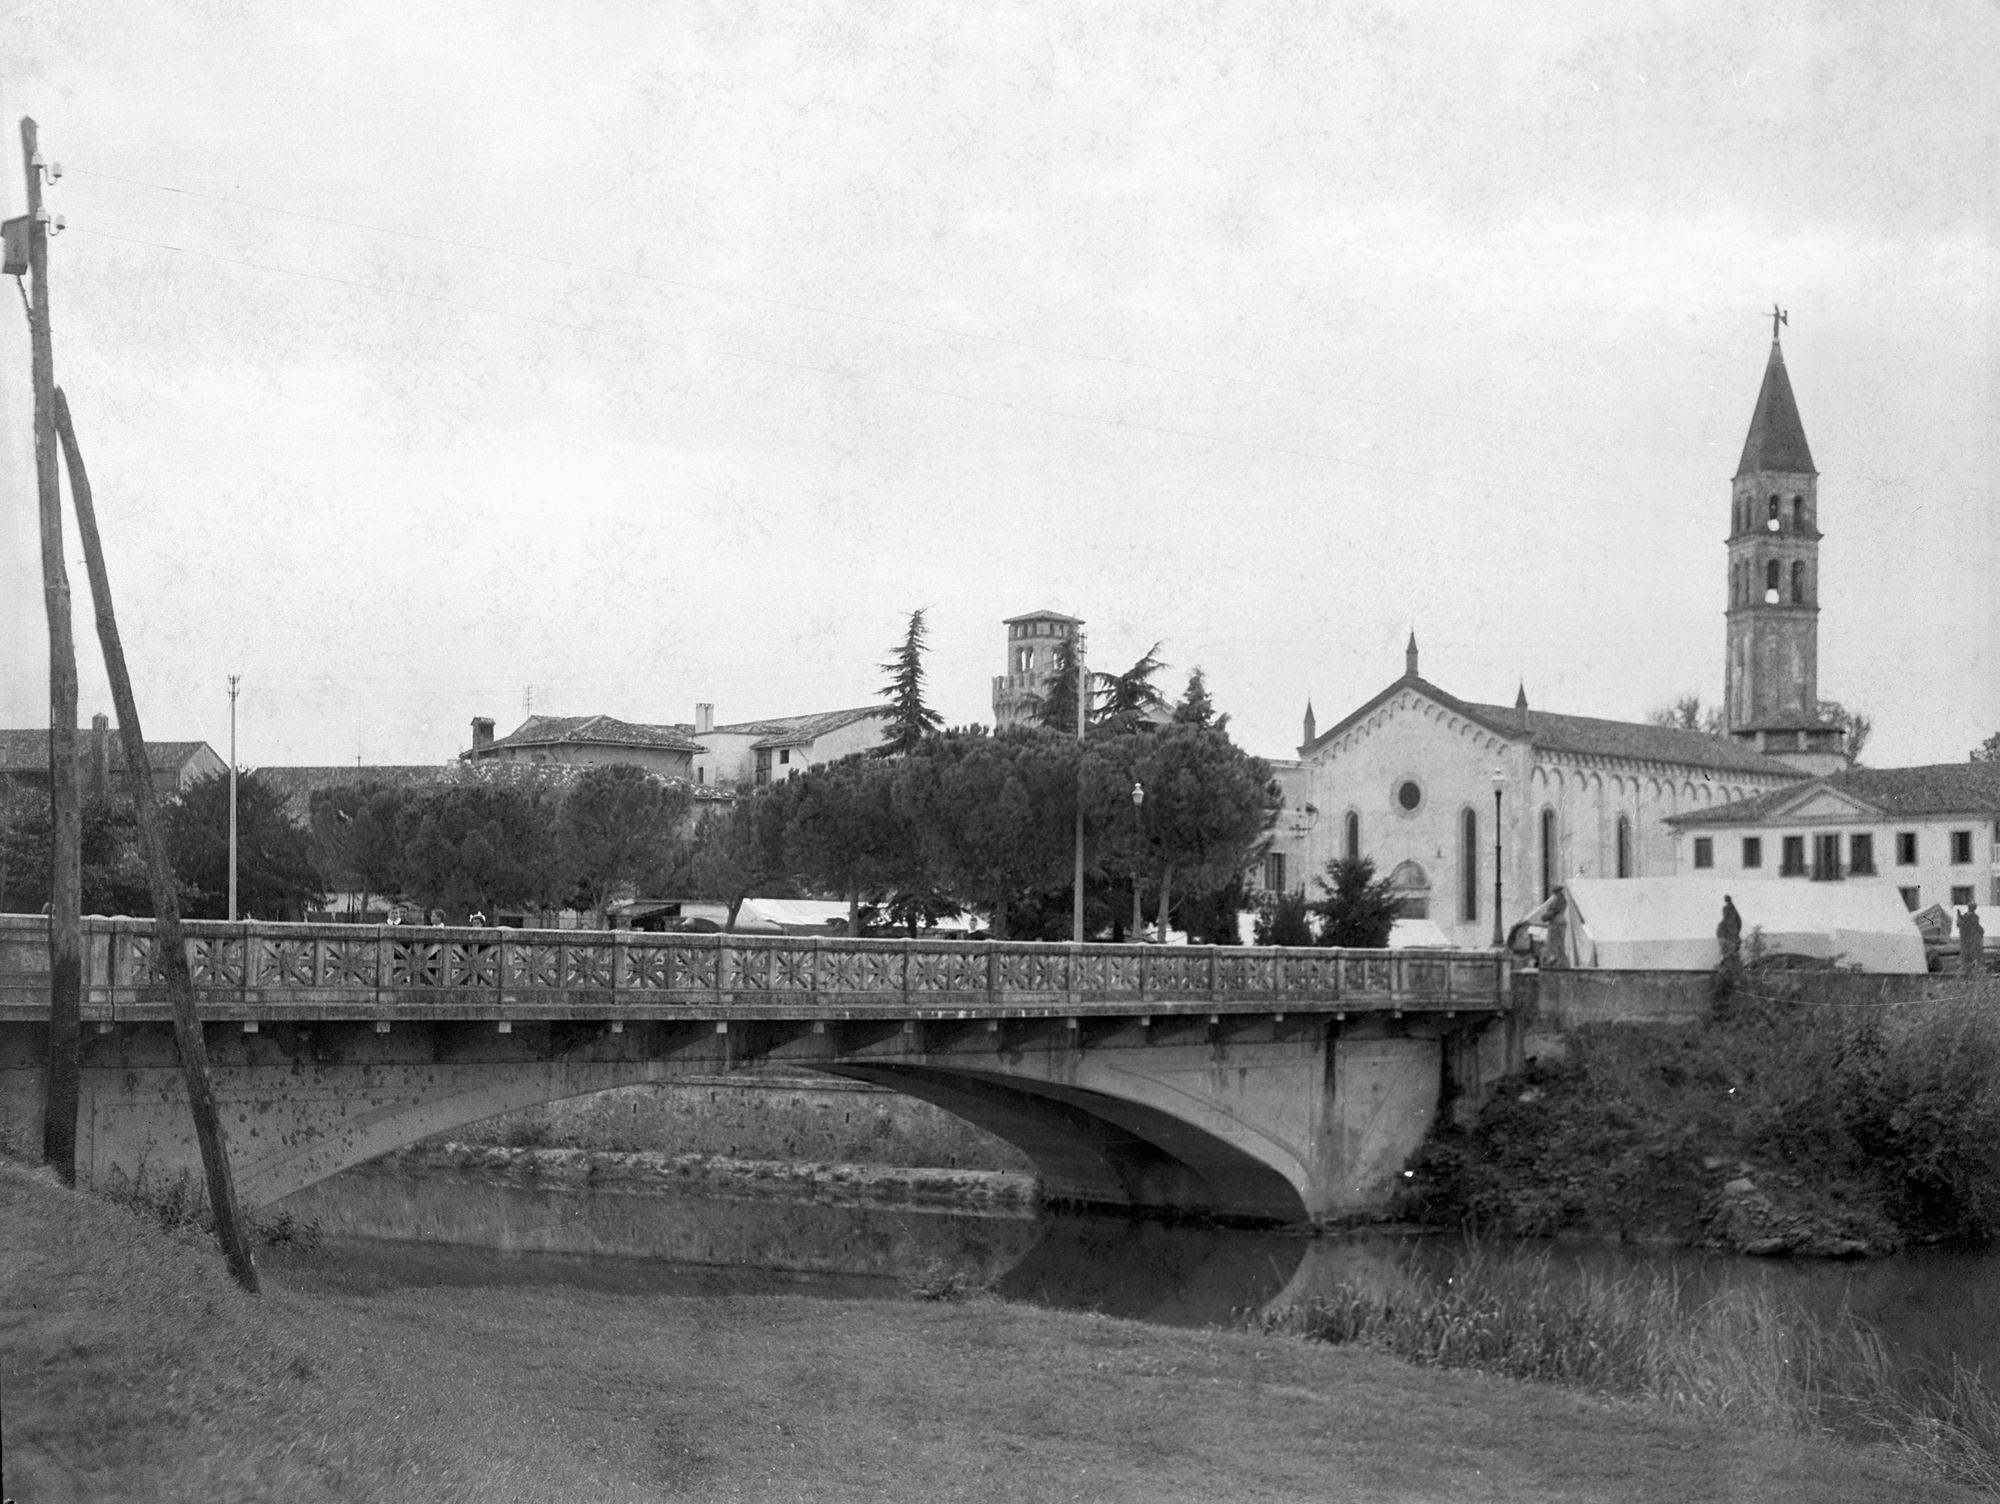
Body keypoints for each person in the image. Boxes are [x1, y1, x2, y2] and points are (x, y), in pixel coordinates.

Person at [1959, 901, 1985, 974]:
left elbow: (1961, 925)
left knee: (1970, 954)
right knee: (1972, 954)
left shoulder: (1965, 916)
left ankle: (1968, 968)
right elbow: (1976, 926)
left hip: (1968, 939)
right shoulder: (1974, 916)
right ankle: (1969, 968)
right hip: (1971, 939)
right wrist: (1981, 931)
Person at [1717, 894, 1743, 964]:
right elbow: (1739, 921)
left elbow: (1737, 921)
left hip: (1731, 929)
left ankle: (1729, 957)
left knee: (1730, 947)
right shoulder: (1732, 909)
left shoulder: (1728, 909)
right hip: (1732, 929)